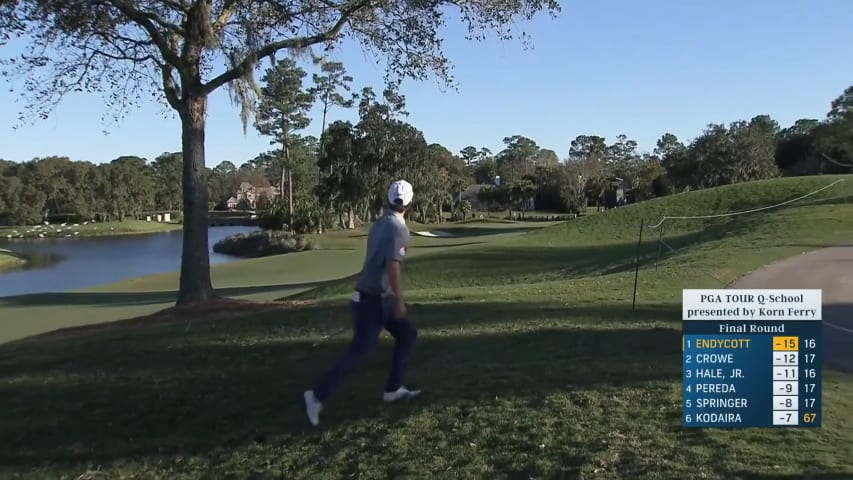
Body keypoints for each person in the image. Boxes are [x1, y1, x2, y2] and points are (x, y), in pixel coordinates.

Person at [303, 179, 420, 426]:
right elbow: (392, 267)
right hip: (373, 301)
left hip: (375, 298)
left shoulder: (379, 223)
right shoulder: (400, 229)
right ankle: (316, 396)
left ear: (389, 199)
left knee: (407, 334)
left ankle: (393, 390)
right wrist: (400, 299)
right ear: (410, 203)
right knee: (359, 352)